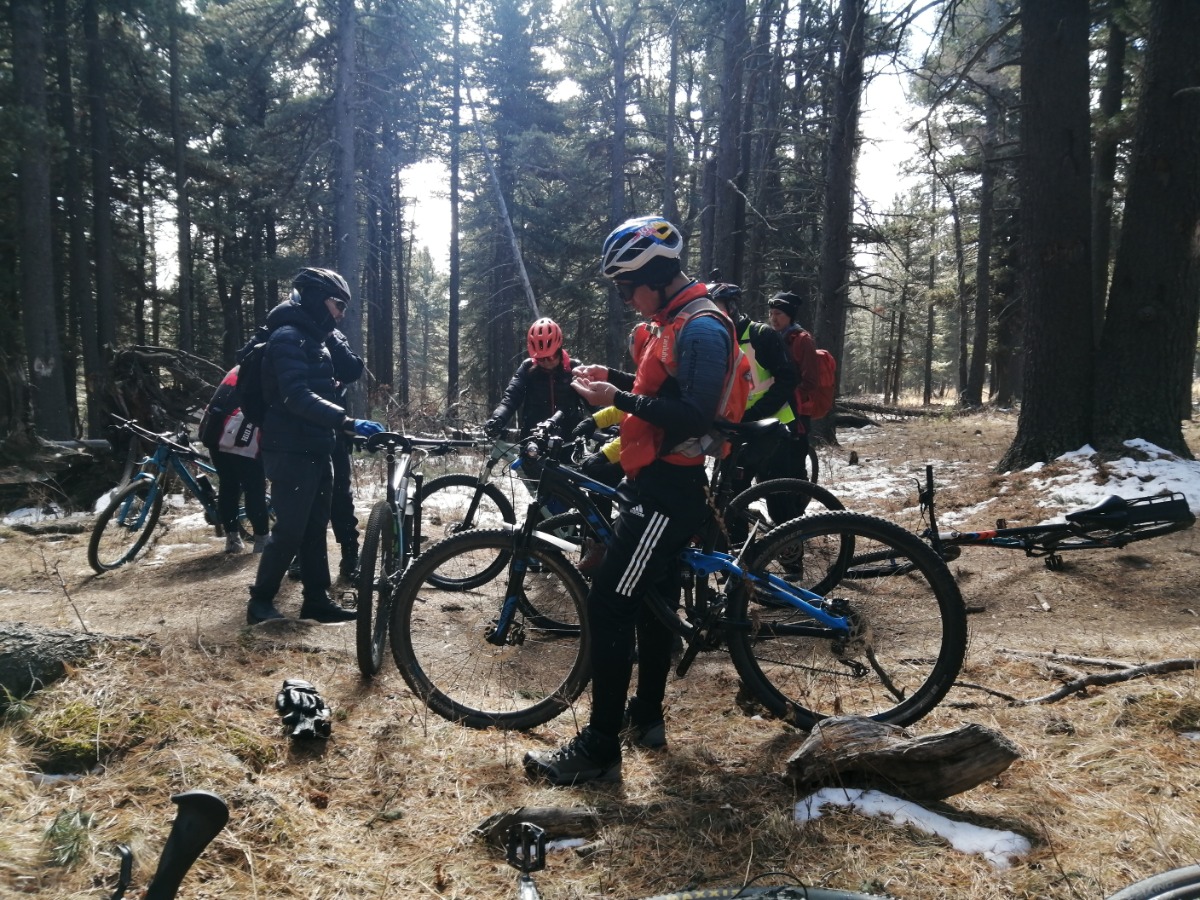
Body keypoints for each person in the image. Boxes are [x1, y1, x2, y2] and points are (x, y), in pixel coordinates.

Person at [523, 215, 740, 786]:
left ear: (657, 276)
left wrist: (616, 397)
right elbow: (663, 392)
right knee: (649, 601)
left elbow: (693, 414)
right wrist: (615, 380)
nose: (625, 298)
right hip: (655, 482)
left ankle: (598, 749)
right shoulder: (674, 321)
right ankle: (645, 718)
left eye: (627, 287)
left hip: (669, 492)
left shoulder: (701, 327)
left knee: (608, 604)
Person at [245, 267, 383, 626]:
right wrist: (347, 422)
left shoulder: (316, 338)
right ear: (318, 299)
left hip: (316, 445)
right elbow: (295, 395)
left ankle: (316, 600)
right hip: (289, 448)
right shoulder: (287, 337)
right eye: (338, 305)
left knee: (314, 525)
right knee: (290, 528)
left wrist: (338, 427)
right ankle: (260, 602)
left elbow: (346, 372)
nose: (341, 314)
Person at [710, 283, 800, 492]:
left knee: (779, 499)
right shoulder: (716, 340)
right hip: (737, 429)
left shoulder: (761, 334)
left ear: (732, 307)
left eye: (716, 307)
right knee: (730, 497)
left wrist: (756, 412)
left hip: (774, 428)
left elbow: (788, 378)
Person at [198, 366, 270, 554]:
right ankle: (262, 541)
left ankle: (232, 540)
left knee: (228, 485)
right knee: (254, 488)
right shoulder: (268, 367)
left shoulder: (240, 367)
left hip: (215, 432)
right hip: (243, 438)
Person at [484, 318, 588, 440]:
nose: (546, 362)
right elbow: (511, 398)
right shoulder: (527, 368)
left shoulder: (574, 368)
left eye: (550, 357)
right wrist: (498, 419)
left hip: (569, 440)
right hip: (533, 439)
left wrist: (605, 423)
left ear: (559, 350)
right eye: (540, 359)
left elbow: (592, 400)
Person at [767, 291, 819, 480]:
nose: (773, 318)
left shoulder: (802, 340)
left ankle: (797, 495)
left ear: (790, 316)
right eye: (771, 313)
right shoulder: (769, 337)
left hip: (798, 413)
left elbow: (811, 380)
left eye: (778, 314)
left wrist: (791, 397)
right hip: (774, 408)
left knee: (794, 463)